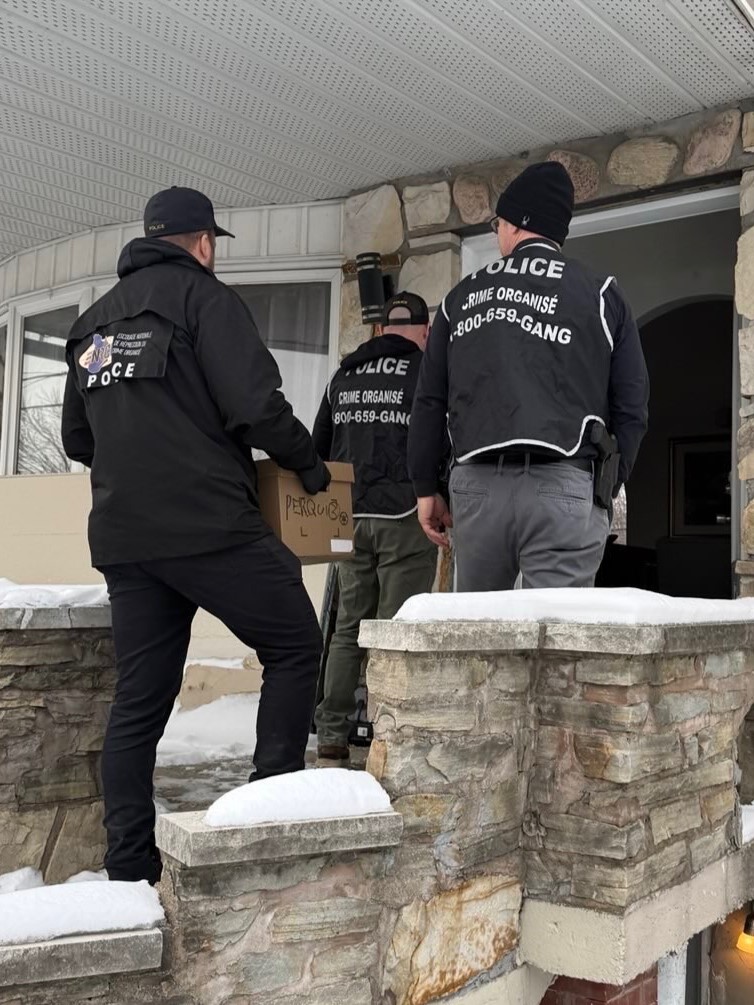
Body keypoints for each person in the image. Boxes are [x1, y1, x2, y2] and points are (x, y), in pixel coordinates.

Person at [61, 186, 330, 885]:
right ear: (204, 243)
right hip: (211, 525)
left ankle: (128, 864)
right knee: (296, 643)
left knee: (140, 699)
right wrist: (307, 464)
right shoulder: (205, 300)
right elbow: (255, 407)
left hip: (126, 536)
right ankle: (268, 816)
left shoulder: (90, 326)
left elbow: (76, 437)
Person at [408, 162, 649, 591]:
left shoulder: (460, 299)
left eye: (498, 222)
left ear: (517, 225)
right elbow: (632, 404)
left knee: (479, 639)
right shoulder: (600, 292)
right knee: (556, 644)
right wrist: (608, 483)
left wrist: (426, 486)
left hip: (478, 489)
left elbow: (429, 400)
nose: (496, 232)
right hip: (566, 483)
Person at [312, 292, 438, 767]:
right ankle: (388, 733)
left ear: (381, 330)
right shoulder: (427, 372)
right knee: (393, 632)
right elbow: (438, 439)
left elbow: (316, 446)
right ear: (423, 332)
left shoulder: (342, 375)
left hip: (349, 514)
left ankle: (331, 734)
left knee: (347, 628)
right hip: (405, 516)